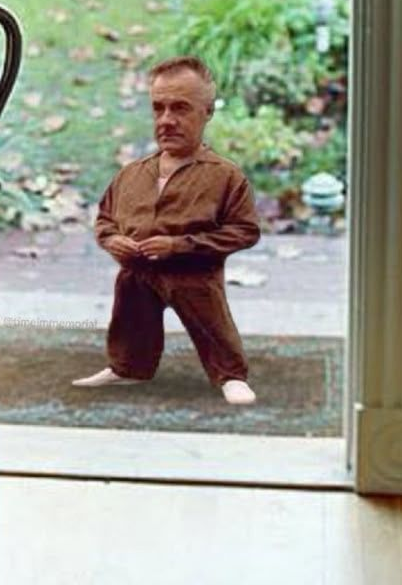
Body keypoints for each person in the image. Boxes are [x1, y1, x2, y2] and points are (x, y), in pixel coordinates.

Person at [72, 55, 261, 404]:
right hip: (137, 273)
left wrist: (180, 245)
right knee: (130, 315)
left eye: (180, 108)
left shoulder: (224, 177)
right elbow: (105, 219)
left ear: (207, 112)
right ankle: (127, 367)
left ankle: (230, 375)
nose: (166, 120)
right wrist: (113, 240)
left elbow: (245, 230)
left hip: (194, 276)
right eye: (158, 108)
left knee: (212, 324)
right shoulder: (131, 174)